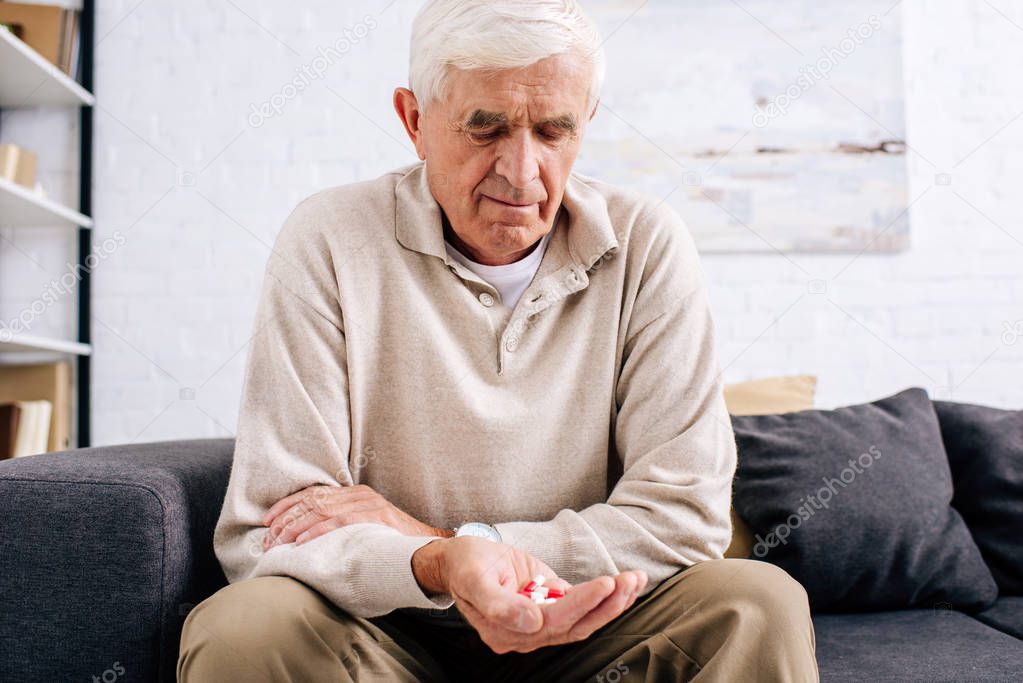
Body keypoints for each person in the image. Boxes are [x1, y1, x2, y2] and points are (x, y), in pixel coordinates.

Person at [178, 1, 818, 680]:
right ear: (414, 120)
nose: (521, 170)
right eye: (485, 129)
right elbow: (265, 535)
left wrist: (450, 544)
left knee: (757, 602)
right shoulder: (329, 238)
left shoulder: (647, 245)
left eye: (552, 131)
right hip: (386, 633)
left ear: (585, 124)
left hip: (596, 628)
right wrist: (432, 569)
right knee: (244, 628)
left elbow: (683, 521)